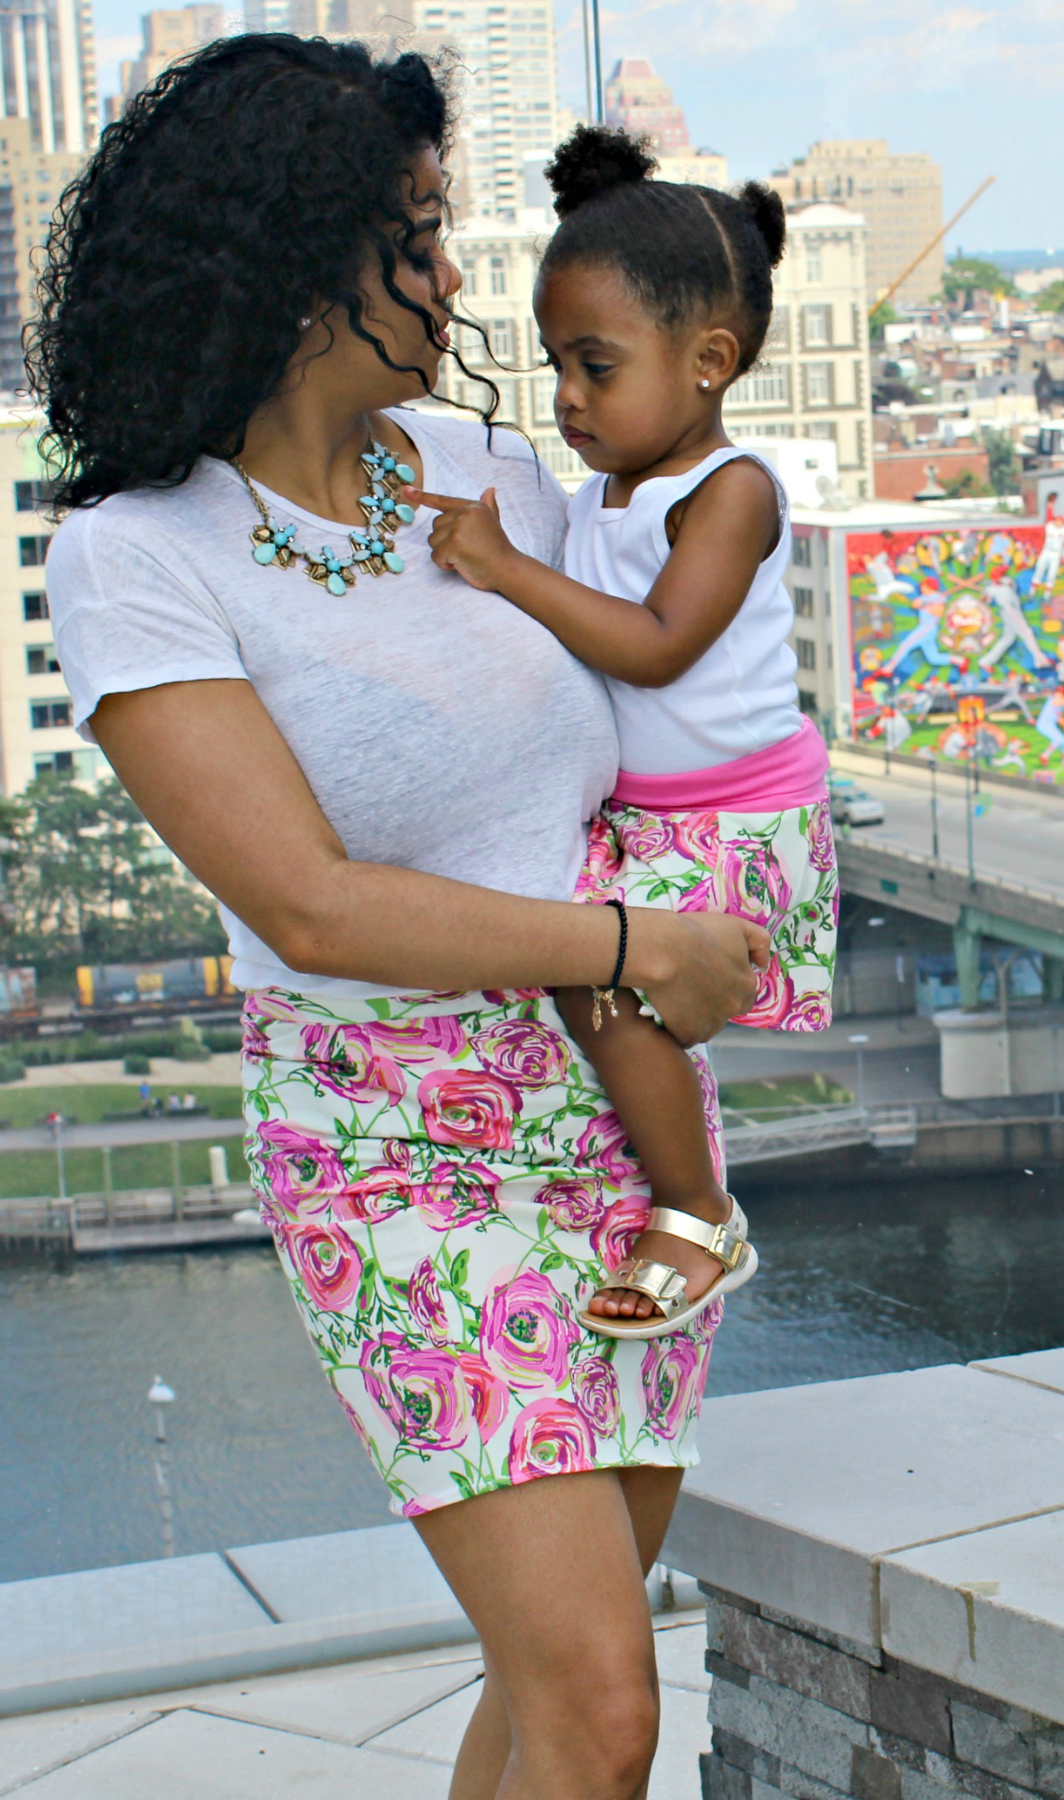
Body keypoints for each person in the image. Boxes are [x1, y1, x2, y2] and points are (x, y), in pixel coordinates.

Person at [35, 37, 767, 1800]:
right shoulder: (140, 554)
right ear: (299, 265)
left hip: (616, 1110)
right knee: (603, 1708)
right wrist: (626, 948)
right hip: (396, 1136)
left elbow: (671, 678)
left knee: (549, 1699)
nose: (458, 282)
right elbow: (308, 899)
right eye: (421, 240)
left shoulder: (487, 476)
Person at [416, 128, 838, 1338]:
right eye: (557, 366)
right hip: (649, 811)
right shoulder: (604, 488)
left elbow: (657, 643)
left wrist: (498, 565)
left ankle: (696, 1210)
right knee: (585, 981)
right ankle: (671, 1190)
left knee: (605, 986)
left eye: (595, 366)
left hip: (736, 810)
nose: (566, 398)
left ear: (710, 360)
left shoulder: (731, 490)